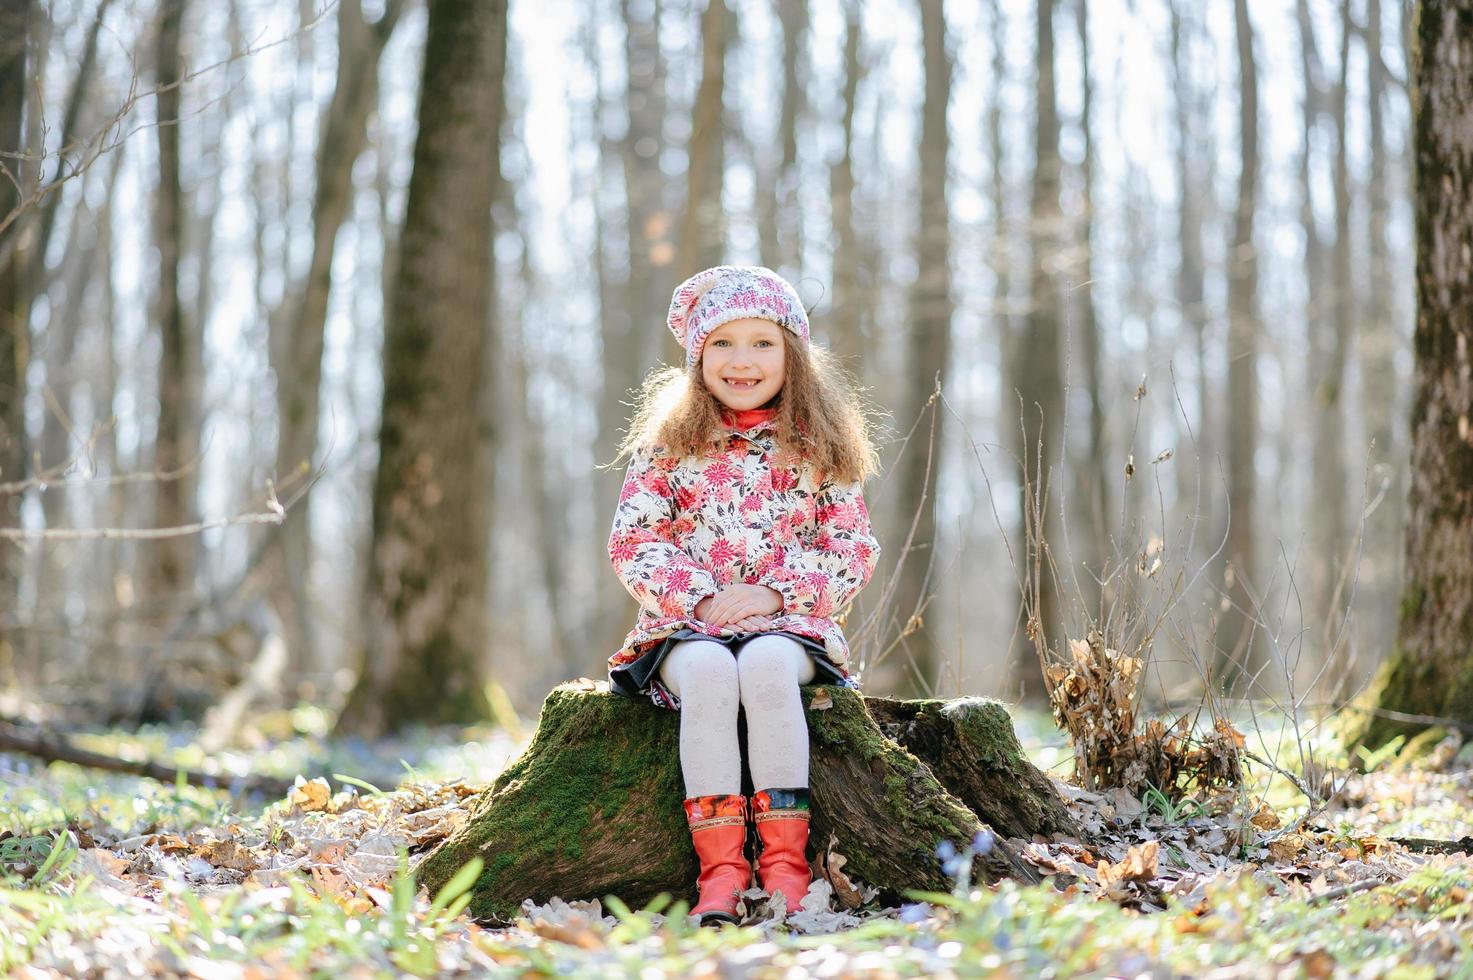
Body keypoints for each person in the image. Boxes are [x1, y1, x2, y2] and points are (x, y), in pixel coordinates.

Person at [606, 265, 881, 925]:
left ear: (792, 354)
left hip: (789, 626)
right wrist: (699, 599)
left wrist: (771, 594)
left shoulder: (819, 446)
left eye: (762, 343)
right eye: (722, 344)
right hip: (683, 628)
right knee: (707, 670)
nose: (742, 360)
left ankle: (784, 863)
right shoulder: (668, 448)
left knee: (760, 664)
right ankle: (721, 871)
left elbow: (851, 549)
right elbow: (635, 542)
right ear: (698, 357)